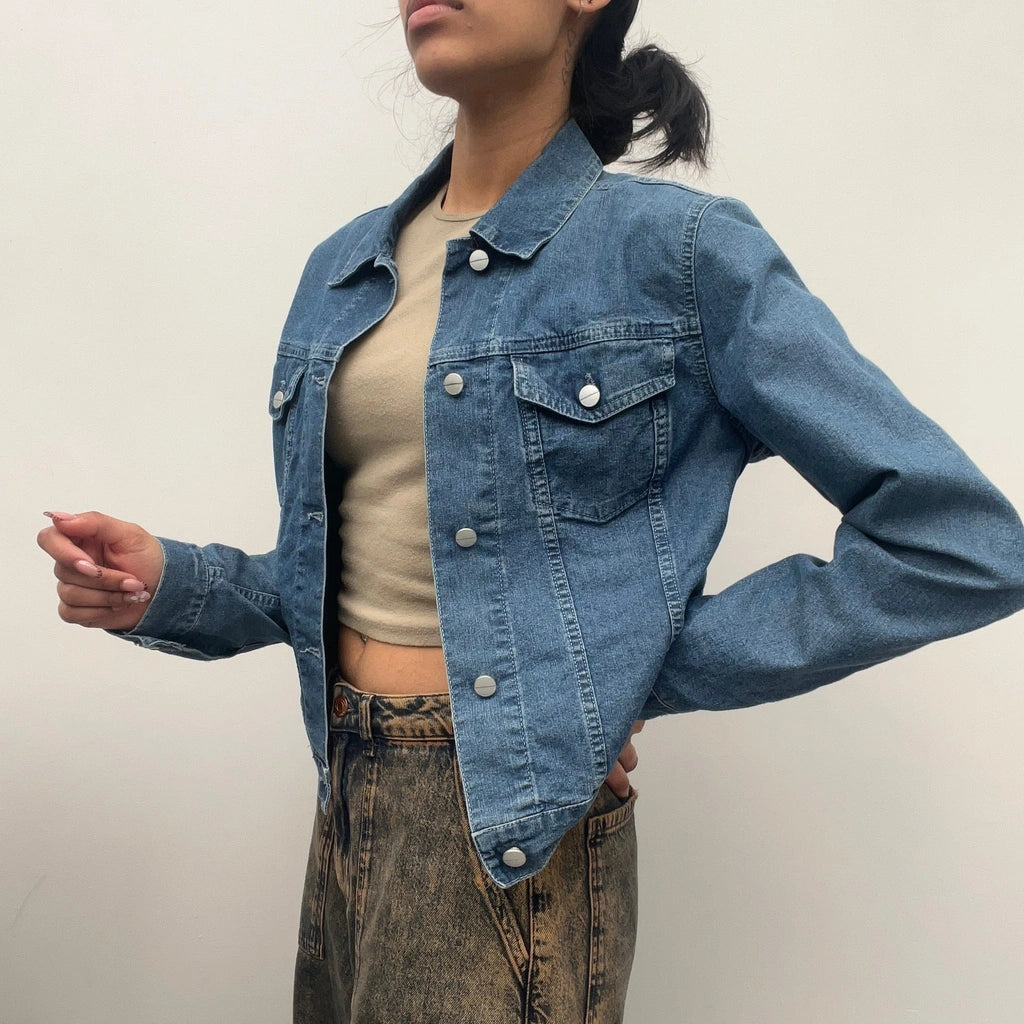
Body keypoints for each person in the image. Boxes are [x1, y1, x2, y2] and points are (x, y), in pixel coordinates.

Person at [36, 1, 1024, 1021]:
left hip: (506, 838)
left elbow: (958, 544)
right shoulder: (342, 270)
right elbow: (338, 573)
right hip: (344, 799)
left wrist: (602, 677)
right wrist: (172, 582)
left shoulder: (680, 253)